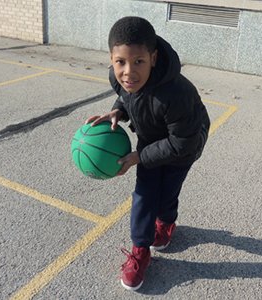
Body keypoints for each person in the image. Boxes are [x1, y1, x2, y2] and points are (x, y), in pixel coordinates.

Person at [85, 16, 210, 291]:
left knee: (167, 190)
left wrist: (139, 156)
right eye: (120, 62)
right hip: (154, 136)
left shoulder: (177, 93)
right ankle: (140, 250)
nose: (128, 72)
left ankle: (166, 222)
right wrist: (119, 109)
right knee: (144, 194)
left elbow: (182, 144)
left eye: (138, 62)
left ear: (153, 58)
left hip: (187, 140)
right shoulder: (119, 79)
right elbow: (127, 96)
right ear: (112, 59)